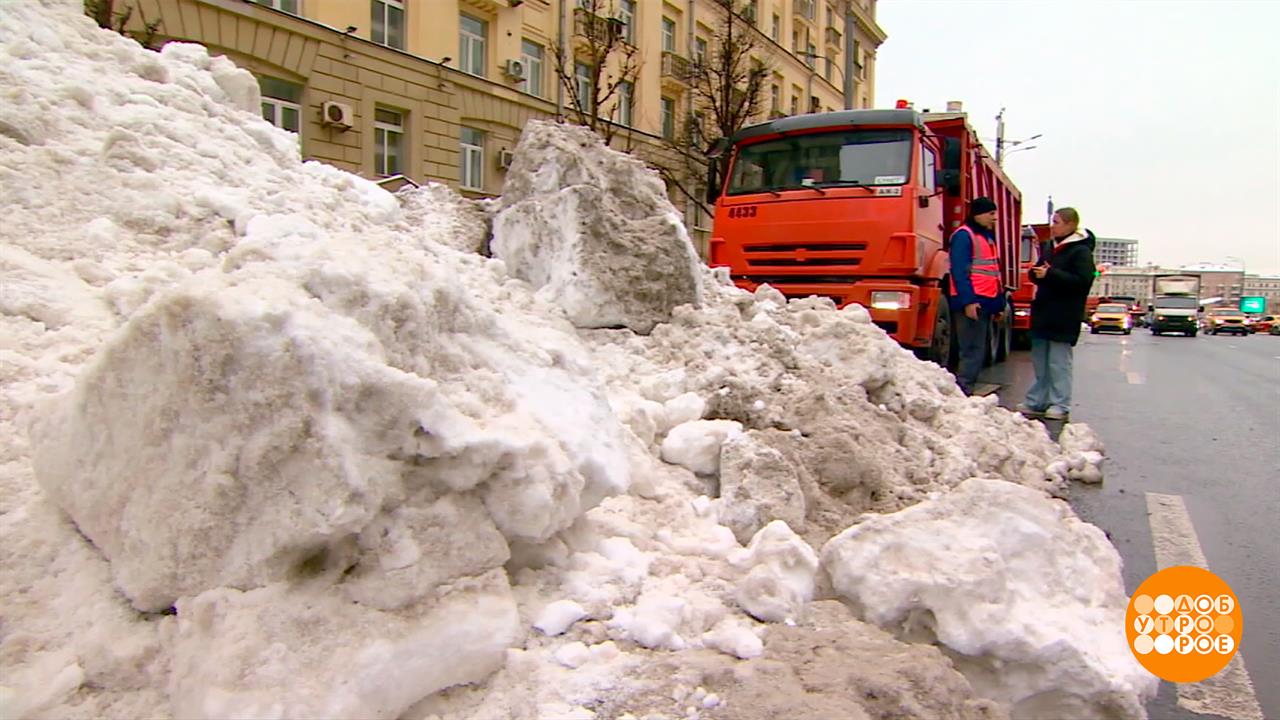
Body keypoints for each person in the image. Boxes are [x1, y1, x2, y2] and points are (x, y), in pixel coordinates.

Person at [1018, 207, 1097, 420]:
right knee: (1040, 360)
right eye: (1053, 221)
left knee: (1058, 362)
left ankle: (1060, 403)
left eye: (1057, 222)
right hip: (1044, 310)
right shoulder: (1049, 247)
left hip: (1064, 314)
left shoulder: (1080, 252)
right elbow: (1038, 272)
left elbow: (1082, 282)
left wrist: (1050, 274)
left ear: (1071, 225)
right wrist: (1036, 274)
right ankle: (1037, 400)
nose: (1053, 226)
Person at [948, 196, 1007, 395]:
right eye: (991, 214)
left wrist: (998, 306)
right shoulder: (964, 236)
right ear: (978, 214)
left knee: (977, 351)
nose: (994, 218)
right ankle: (963, 391)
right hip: (972, 302)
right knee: (971, 350)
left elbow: (994, 274)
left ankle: (966, 389)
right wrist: (968, 302)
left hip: (985, 301)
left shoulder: (986, 237)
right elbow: (959, 272)